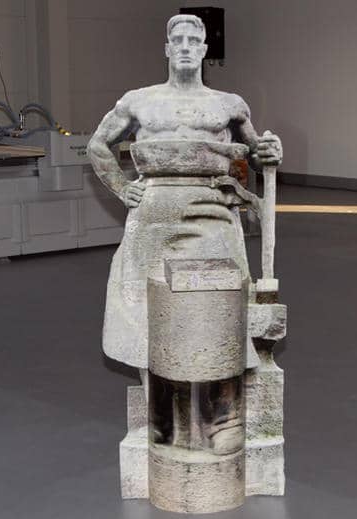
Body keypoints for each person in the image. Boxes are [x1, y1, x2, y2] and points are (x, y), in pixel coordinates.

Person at [87, 14, 283, 452]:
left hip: (211, 206)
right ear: (167, 48)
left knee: (223, 302)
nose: (187, 46)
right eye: (178, 39)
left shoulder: (228, 104)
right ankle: (161, 414)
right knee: (143, 303)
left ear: (205, 50)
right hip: (154, 212)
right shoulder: (140, 101)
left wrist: (269, 152)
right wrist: (121, 187)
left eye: (195, 40)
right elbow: (99, 144)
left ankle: (223, 416)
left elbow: (255, 153)